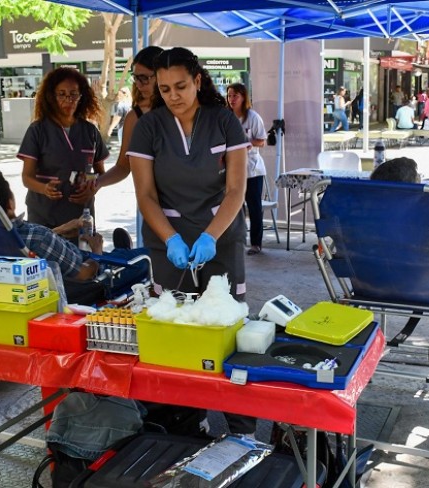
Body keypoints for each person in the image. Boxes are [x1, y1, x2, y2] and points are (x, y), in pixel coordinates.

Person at [129, 48, 253, 435]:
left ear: (198, 81)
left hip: (220, 234)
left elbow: (236, 189)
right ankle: (185, 419)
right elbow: (146, 195)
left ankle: (240, 423)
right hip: (169, 238)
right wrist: (171, 240)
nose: (172, 95)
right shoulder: (148, 127)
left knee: (228, 327)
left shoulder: (224, 122)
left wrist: (209, 237)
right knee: (175, 326)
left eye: (181, 86)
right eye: (164, 88)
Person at [0, 168, 149, 303]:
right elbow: (85, 274)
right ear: (9, 203)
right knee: (148, 256)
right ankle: (120, 252)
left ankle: (121, 250)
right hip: (96, 278)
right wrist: (97, 252)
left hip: (32, 285)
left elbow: (27, 248)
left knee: (120, 253)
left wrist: (59, 231)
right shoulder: (38, 237)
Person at [17, 67, 108, 236]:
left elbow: (100, 174)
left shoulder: (90, 131)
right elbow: (26, 178)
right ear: (52, 97)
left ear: (82, 97)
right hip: (45, 217)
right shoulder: (37, 130)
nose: (68, 100)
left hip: (82, 217)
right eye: (62, 94)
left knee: (84, 260)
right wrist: (44, 188)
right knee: (49, 261)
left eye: (74, 94)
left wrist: (91, 186)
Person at [96, 46, 164, 193]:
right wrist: (97, 183)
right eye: (136, 78)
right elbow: (123, 166)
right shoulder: (135, 117)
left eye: (144, 78)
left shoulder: (183, 110)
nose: (138, 85)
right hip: (153, 204)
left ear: (163, 75)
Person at [227, 82, 267, 256]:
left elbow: (262, 141)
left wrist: (247, 144)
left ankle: (256, 243)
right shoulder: (226, 117)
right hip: (231, 169)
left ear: (243, 97)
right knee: (235, 207)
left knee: (254, 206)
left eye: (235, 95)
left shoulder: (253, 117)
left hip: (252, 170)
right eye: (229, 95)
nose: (231, 99)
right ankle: (237, 240)